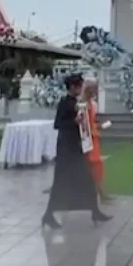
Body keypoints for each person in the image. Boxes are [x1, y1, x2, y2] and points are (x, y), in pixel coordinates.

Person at [42, 74, 111, 229]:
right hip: (66, 149)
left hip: (77, 147)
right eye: (79, 86)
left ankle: (95, 211)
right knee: (60, 183)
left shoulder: (78, 103)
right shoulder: (65, 103)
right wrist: (74, 122)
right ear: (72, 87)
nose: (81, 89)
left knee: (88, 179)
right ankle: (48, 214)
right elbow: (58, 124)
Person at [82, 79, 110, 204]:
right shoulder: (82, 104)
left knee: (97, 166)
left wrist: (98, 127)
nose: (95, 92)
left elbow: (91, 121)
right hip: (86, 139)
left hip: (93, 138)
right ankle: (98, 193)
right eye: (93, 89)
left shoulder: (92, 104)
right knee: (91, 166)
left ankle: (102, 193)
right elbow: (83, 123)